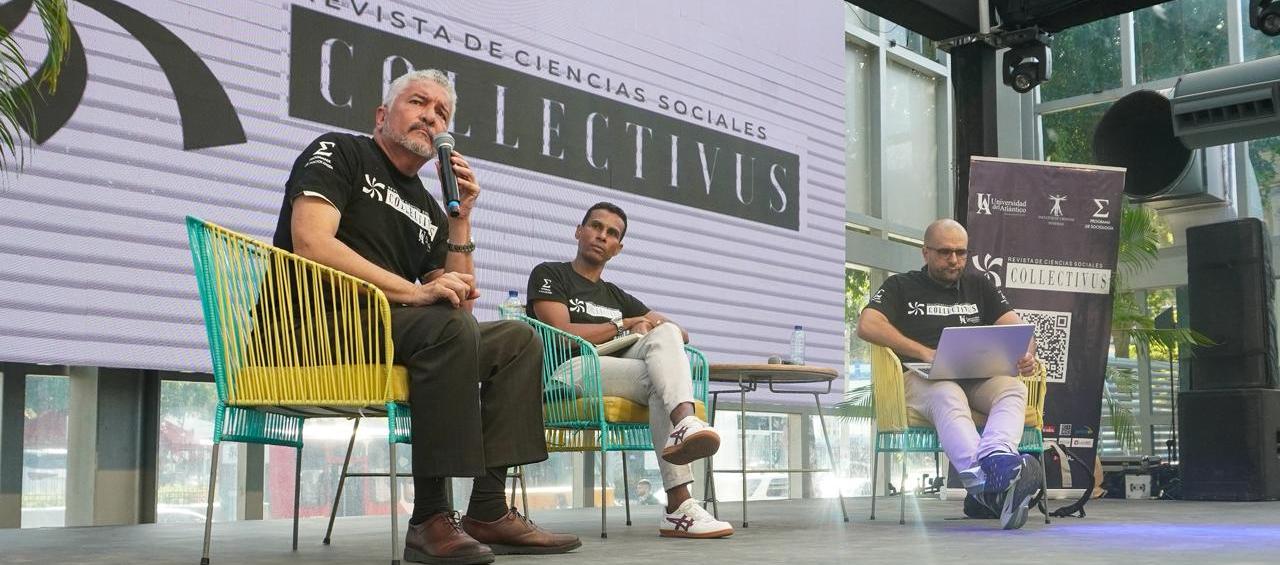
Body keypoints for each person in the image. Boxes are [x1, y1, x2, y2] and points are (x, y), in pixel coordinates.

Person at [274, 69, 579, 564]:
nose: (432, 118)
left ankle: (488, 509)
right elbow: (311, 243)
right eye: (419, 103)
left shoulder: (429, 206)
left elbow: (462, 303)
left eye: (442, 113)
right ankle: (430, 518)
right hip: (315, 328)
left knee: (517, 340)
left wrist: (461, 219)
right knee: (445, 327)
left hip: (388, 331)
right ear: (382, 116)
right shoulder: (340, 151)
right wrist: (414, 293)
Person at [526, 202, 734, 539]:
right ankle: (679, 504)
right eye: (595, 226)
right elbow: (561, 334)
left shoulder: (616, 295)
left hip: (614, 368)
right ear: (579, 231)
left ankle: (683, 434)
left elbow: (681, 335)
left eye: (611, 233)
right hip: (570, 369)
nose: (601, 236)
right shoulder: (550, 273)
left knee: (664, 348)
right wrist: (623, 324)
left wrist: (647, 326)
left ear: (618, 249)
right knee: (661, 379)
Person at [856, 218, 1044, 530]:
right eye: (944, 252)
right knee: (947, 392)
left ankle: (997, 459)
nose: (954, 260)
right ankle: (985, 480)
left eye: (961, 252)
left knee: (1013, 388)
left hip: (976, 375)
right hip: (922, 378)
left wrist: (1027, 354)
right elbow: (867, 325)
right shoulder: (900, 286)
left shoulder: (980, 286)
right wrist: (923, 352)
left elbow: (1019, 329)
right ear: (925, 252)